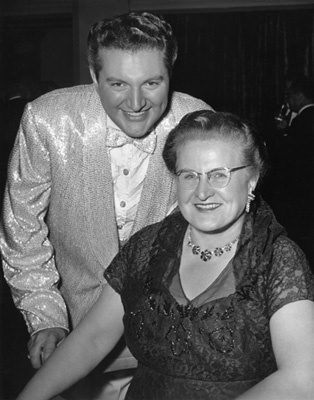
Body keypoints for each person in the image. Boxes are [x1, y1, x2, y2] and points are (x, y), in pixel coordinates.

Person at [15, 110, 314, 400]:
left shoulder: (278, 259)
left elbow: (302, 380)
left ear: (251, 181)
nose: (202, 192)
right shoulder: (147, 247)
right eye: (189, 176)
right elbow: (91, 339)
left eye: (218, 175)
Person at [0, 11, 212, 400]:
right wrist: (45, 316)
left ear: (171, 73)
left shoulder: (197, 121)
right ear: (94, 77)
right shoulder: (47, 119)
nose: (136, 103)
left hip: (169, 336)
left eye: (152, 82)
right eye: (117, 83)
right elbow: (22, 227)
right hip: (74, 335)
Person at [269, 74, 314, 267]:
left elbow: (290, 156)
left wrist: (283, 132)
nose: (288, 101)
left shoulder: (302, 121)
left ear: (299, 96)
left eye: (290, 96)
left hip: (300, 186)